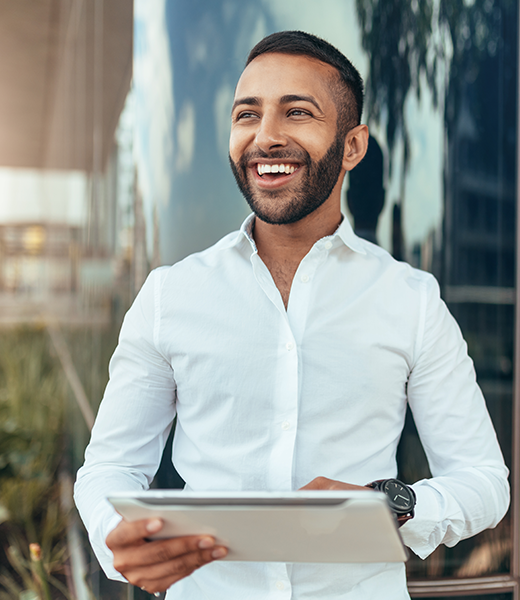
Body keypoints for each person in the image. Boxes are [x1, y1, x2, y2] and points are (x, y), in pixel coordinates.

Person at [74, 30, 509, 599]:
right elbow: (108, 468)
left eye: (297, 113)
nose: (266, 137)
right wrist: (116, 534)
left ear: (353, 147)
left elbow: (483, 483)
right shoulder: (168, 296)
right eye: (246, 115)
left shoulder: (413, 301)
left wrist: (390, 502)